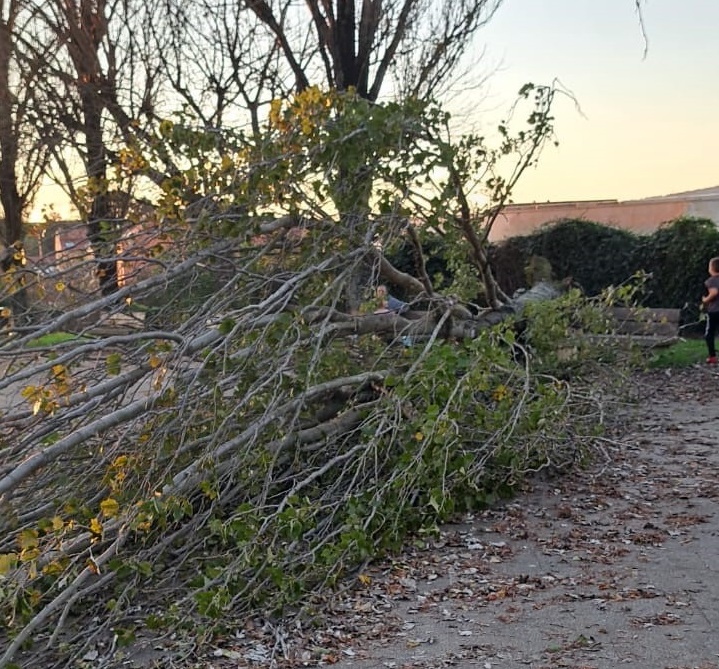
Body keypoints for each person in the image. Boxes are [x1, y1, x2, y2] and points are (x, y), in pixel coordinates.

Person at [701, 256, 719, 364]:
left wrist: (705, 299)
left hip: (714, 311)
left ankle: (712, 356)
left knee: (709, 334)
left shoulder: (711, 281)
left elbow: (714, 293)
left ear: (711, 269)